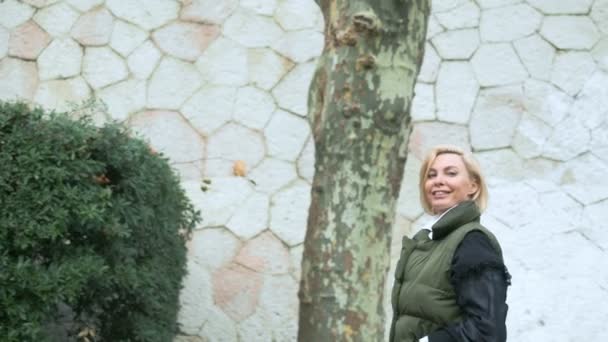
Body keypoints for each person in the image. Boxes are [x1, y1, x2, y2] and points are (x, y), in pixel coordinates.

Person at [389, 145, 511, 342]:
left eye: (451, 173)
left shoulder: (472, 242)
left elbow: (487, 331)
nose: (438, 181)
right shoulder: (426, 241)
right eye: (431, 175)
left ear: (474, 186)